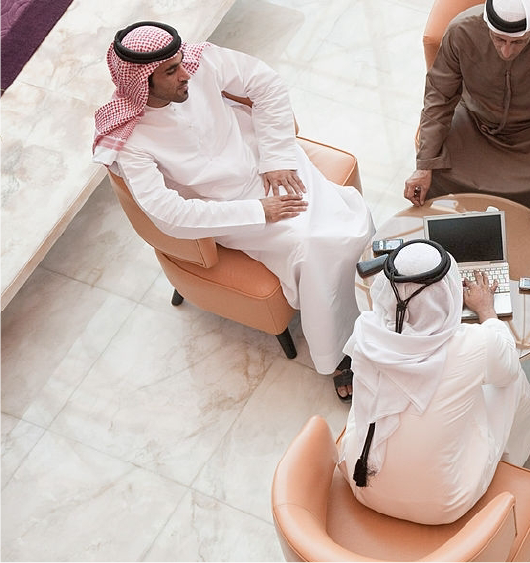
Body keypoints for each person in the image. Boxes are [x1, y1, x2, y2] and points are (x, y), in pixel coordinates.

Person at [92, 21, 375, 400]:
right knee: (311, 249)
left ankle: (378, 308)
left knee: (349, 225)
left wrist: (276, 157)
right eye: (171, 71)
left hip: (267, 162)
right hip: (229, 209)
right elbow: (168, 214)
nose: (186, 74)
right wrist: (258, 211)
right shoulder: (131, 140)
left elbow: (266, 82)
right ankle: (339, 353)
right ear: (143, 82)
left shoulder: (201, 63)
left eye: (181, 62)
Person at [338, 240, 530, 524]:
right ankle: (511, 463)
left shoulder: (366, 330)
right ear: (448, 292)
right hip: (442, 507)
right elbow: (508, 369)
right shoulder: (475, 344)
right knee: (510, 375)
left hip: (362, 483)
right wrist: (486, 310)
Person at [404, 0, 530, 243]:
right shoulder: (462, 31)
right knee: (436, 171)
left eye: (518, 42)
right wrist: (424, 165)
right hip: (475, 122)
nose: (507, 51)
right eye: (499, 39)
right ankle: (449, 251)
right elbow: (439, 98)